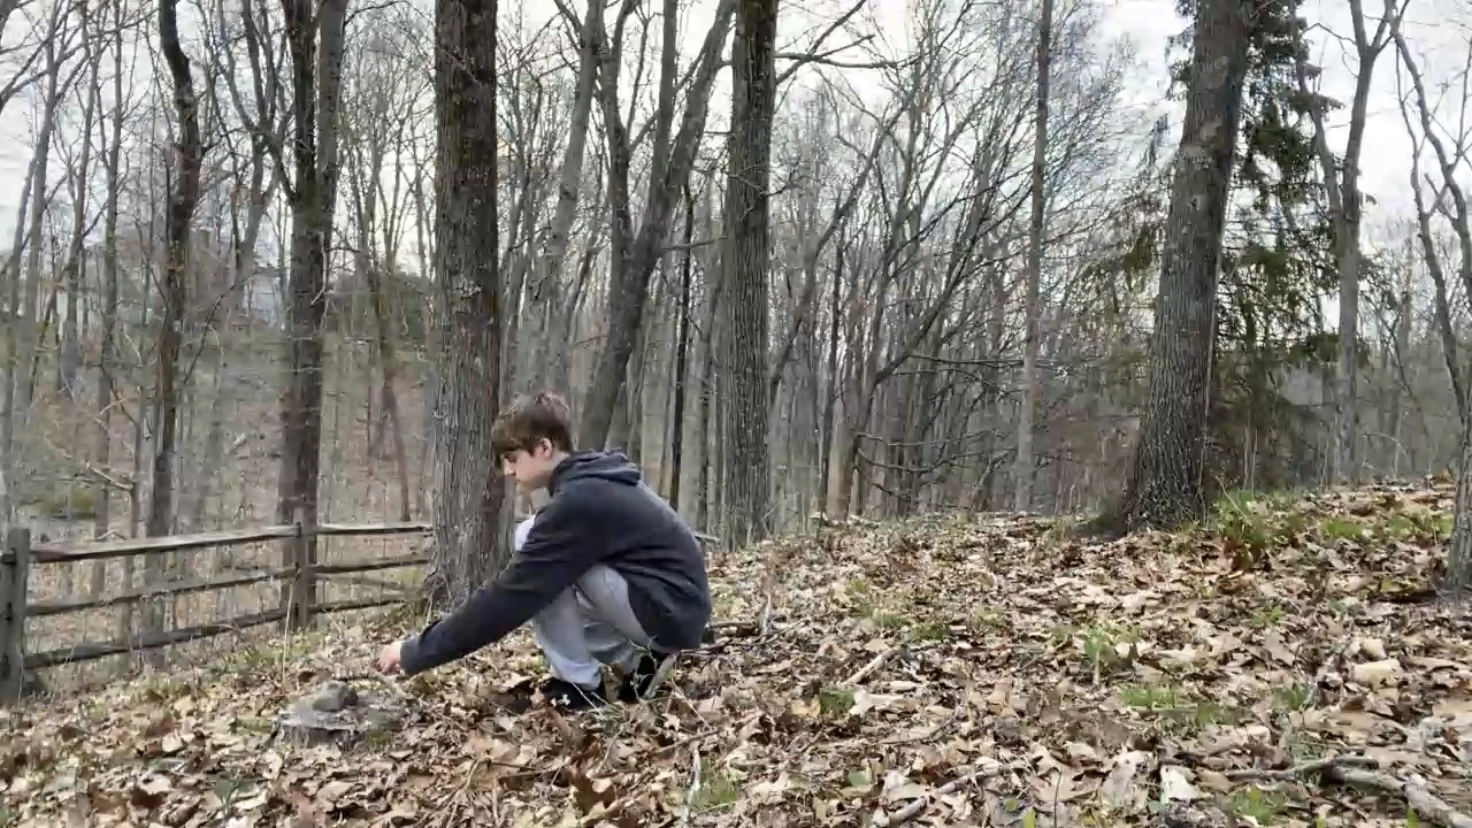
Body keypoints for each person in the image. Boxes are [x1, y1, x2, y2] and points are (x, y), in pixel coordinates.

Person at [376, 390, 711, 710]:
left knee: (533, 551)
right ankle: (638, 663)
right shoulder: (591, 482)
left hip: (670, 615)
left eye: (512, 458)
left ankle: (579, 686)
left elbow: (508, 598)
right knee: (536, 543)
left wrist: (415, 652)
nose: (508, 471)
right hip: (674, 610)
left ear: (544, 448)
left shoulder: (579, 502)